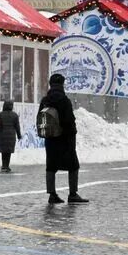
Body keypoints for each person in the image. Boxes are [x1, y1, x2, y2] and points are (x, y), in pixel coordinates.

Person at [41, 73, 86, 204]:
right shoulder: (64, 100)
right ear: (62, 84)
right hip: (65, 139)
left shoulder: (45, 100)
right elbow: (69, 120)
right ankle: (72, 194)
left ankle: (52, 194)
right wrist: (72, 132)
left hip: (50, 138)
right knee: (73, 165)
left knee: (51, 167)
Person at [0, 99, 19, 173]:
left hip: (2, 135)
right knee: (8, 151)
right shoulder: (15, 115)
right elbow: (17, 126)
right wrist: (19, 135)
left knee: (3, 151)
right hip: (11, 135)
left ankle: (3, 165)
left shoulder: (0, 115)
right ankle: (6, 166)